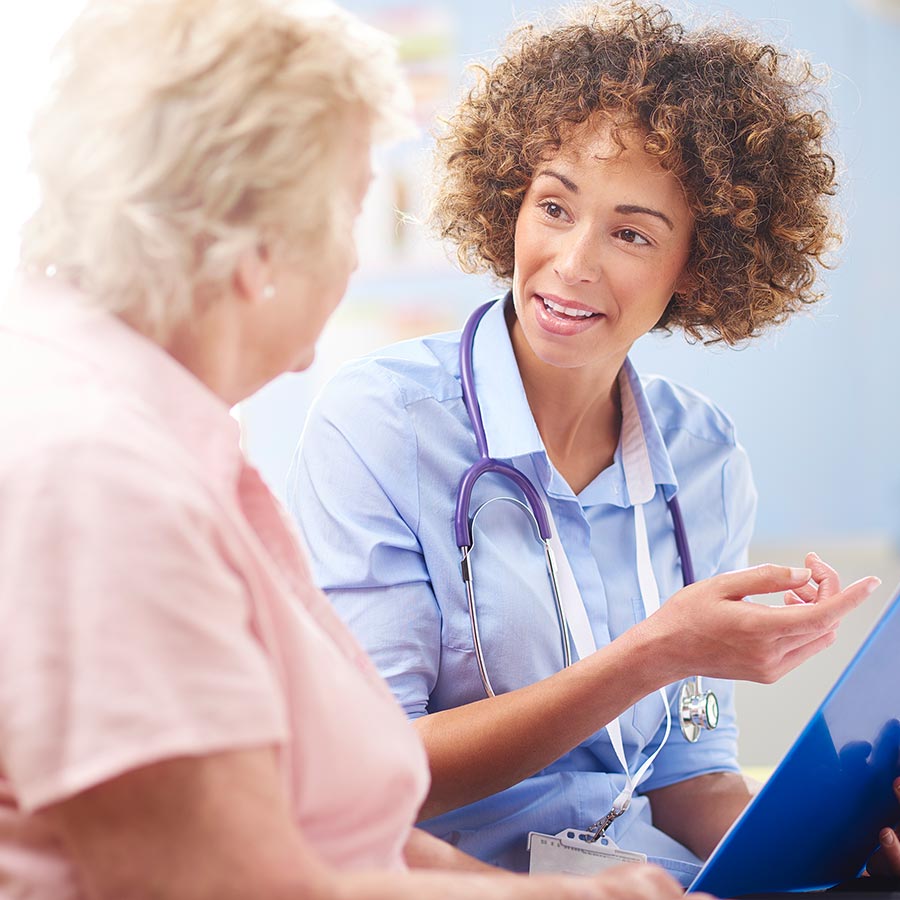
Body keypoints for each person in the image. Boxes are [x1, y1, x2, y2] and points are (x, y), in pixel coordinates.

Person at [0, 1, 697, 898]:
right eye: (350, 213)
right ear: (256, 249)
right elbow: (225, 885)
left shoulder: (164, 439)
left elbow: (351, 832)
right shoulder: (96, 476)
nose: (351, 263)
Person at [289, 0, 893, 887]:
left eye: (631, 233)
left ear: (698, 263)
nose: (573, 262)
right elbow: (376, 775)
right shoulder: (382, 421)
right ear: (511, 205)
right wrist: (654, 653)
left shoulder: (703, 455)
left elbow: (689, 779)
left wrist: (834, 851)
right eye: (555, 207)